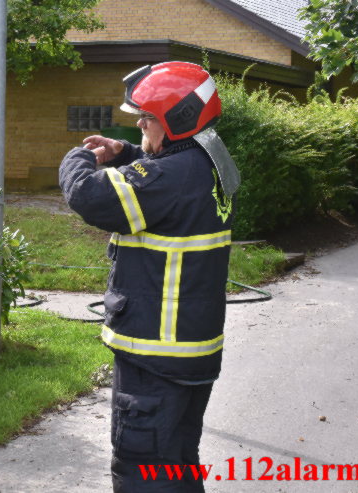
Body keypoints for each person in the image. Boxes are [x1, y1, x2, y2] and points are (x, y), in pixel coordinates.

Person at [59, 61, 240, 492]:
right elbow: (164, 167)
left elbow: (89, 196)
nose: (139, 123)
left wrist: (78, 156)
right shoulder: (211, 159)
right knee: (177, 464)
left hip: (155, 356)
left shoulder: (168, 177)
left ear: (177, 119)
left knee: (141, 469)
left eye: (146, 118)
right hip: (191, 352)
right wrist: (126, 152)